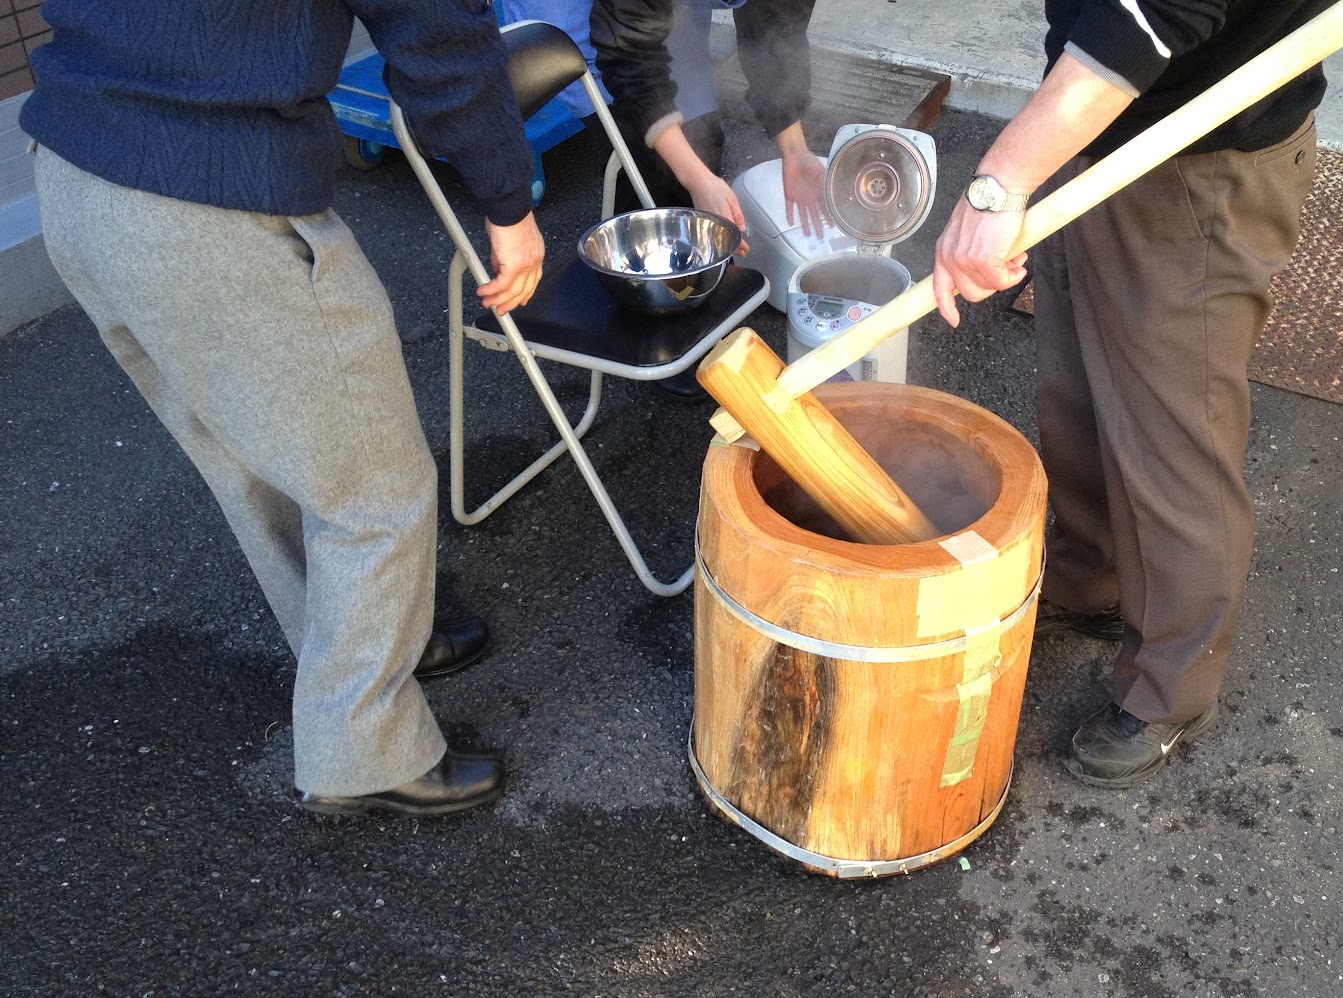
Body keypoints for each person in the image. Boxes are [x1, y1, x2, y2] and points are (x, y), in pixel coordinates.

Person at [22, 0, 546, 818]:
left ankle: (367, 646)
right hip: (207, 197)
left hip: (75, 172)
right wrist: (509, 204)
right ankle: (362, 749)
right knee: (376, 488)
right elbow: (437, 30)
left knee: (257, 458)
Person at [932, 0, 1330, 787]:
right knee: (1077, 387)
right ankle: (1088, 581)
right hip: (1099, 127)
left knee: (1173, 431)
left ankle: (1172, 685)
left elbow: (1152, 12)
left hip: (1199, 156)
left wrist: (999, 182)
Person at [590, 0, 825, 397]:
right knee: (653, 172)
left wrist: (794, 149)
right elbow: (627, 50)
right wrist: (696, 179)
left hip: (666, 15)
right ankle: (655, 331)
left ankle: (688, 307)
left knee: (703, 144)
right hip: (604, 26)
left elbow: (774, 28)